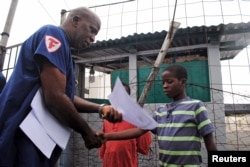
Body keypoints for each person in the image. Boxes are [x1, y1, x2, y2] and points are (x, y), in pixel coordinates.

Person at [0, 7, 122, 167]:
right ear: (76, 20)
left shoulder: (67, 57)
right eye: (92, 30)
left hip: (38, 138)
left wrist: (100, 108)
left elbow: (66, 96)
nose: (93, 38)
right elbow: (55, 97)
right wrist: (86, 131)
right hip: (22, 134)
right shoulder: (52, 34)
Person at [98, 64, 217, 167]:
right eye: (163, 82)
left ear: (183, 82)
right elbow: (138, 131)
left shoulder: (196, 106)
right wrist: (107, 136)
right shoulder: (161, 111)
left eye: (169, 81)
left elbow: (209, 139)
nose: (165, 85)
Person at [99, 82, 152, 167]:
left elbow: (143, 145)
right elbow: (104, 143)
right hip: (109, 162)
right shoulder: (108, 118)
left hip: (127, 162)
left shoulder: (134, 118)